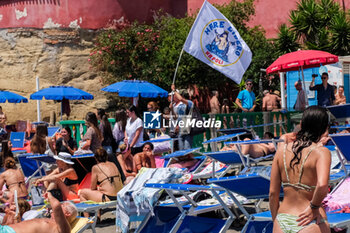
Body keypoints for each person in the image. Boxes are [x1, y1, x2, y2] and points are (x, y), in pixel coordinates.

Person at [270, 106, 331, 233]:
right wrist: (314, 207)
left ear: (301, 124)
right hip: (309, 220)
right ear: (325, 128)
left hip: (282, 219)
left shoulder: (281, 151)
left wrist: (276, 219)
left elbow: (273, 193)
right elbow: (323, 184)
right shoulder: (321, 153)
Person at [6, 192, 77, 233]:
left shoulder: (64, 229)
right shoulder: (48, 220)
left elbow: (56, 205)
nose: (60, 204)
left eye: (63, 205)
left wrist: (50, 196)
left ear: (67, 213)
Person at [169, 84, 194, 150]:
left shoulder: (190, 103)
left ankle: (190, 159)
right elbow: (175, 117)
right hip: (180, 129)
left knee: (187, 148)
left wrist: (174, 90)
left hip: (188, 128)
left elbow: (180, 98)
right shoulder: (179, 106)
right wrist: (171, 109)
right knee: (181, 149)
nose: (176, 96)